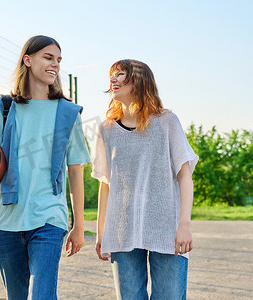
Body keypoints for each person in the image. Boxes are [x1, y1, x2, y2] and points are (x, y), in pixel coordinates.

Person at [0, 35, 90, 300]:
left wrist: (78, 224)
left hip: (49, 219)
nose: (55, 65)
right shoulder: (1, 110)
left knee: (42, 295)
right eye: (48, 57)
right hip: (7, 222)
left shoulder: (67, 113)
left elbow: (75, 171)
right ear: (28, 60)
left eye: (58, 60)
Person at [92, 59, 199, 299]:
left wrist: (184, 225)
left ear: (140, 80)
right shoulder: (105, 130)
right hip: (122, 230)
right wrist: (101, 232)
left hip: (167, 229)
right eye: (113, 75)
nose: (114, 80)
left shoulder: (167, 122)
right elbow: (105, 184)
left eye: (121, 75)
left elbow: (184, 176)